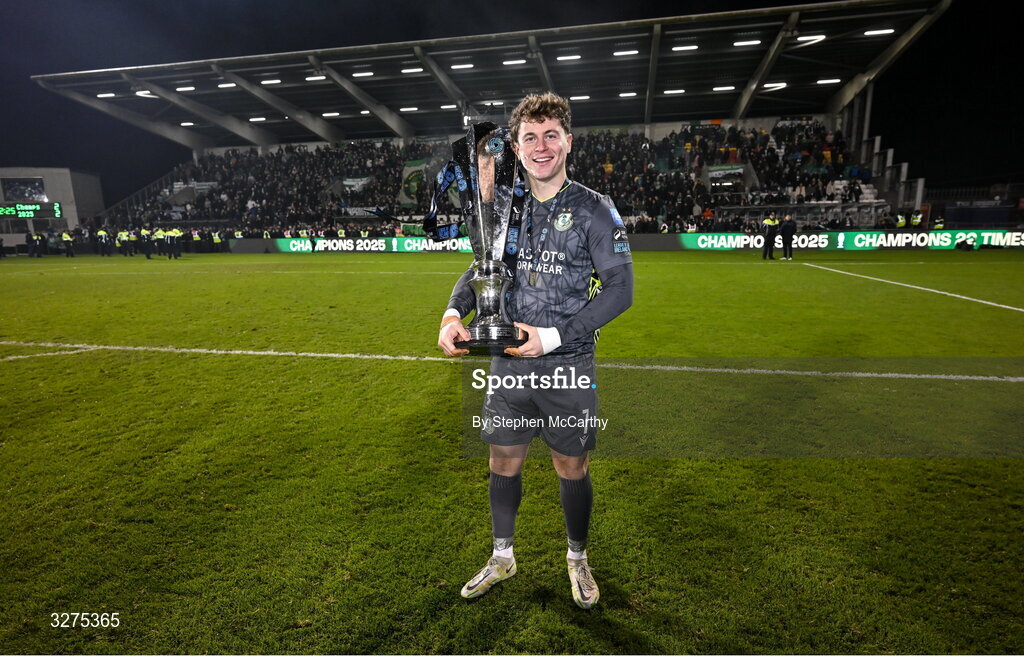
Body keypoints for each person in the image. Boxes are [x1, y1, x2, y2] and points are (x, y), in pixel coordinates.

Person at [438, 93, 634, 609]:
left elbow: (620, 291)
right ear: (517, 148)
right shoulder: (505, 209)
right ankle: (503, 556)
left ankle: (577, 559)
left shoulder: (594, 209)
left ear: (568, 142)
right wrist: (454, 313)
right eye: (530, 137)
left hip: (566, 366)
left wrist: (549, 337)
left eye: (551, 135)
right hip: (507, 368)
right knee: (503, 462)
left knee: (572, 467)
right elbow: (481, 268)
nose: (541, 146)